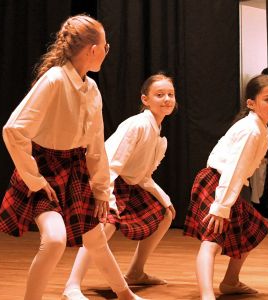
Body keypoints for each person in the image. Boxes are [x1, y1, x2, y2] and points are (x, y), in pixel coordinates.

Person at [0, 14, 141, 300]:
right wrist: (34, 179)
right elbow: (14, 129)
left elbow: (95, 145)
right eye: (106, 46)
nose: (107, 52)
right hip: (45, 168)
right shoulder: (55, 79)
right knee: (55, 240)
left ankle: (125, 294)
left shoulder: (91, 88)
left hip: (74, 170)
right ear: (93, 49)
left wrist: (101, 190)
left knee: (95, 238)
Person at [62, 73, 177, 299]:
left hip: (128, 184)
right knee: (103, 227)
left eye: (170, 95)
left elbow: (143, 176)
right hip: (105, 180)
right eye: (160, 94)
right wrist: (106, 201)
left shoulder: (157, 133)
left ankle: (135, 272)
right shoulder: (137, 125)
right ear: (145, 99)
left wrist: (165, 199)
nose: (166, 99)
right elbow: (110, 165)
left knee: (165, 214)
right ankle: (71, 286)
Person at [183, 74, 268, 300]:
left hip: (224, 185)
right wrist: (220, 206)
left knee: (252, 227)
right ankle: (207, 296)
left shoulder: (258, 127)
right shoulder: (251, 129)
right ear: (251, 103)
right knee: (211, 241)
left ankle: (230, 282)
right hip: (217, 183)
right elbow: (234, 169)